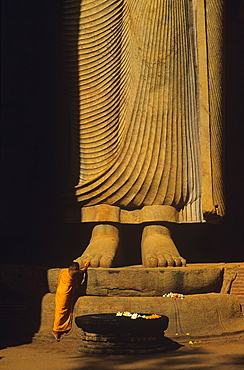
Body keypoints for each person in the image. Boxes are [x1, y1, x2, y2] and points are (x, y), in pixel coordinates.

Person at [52, 261, 90, 341]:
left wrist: (82, 265)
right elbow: (82, 271)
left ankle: (63, 329)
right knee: (61, 311)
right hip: (64, 294)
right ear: (74, 268)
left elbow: (77, 269)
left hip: (60, 292)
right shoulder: (74, 272)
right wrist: (86, 266)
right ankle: (55, 330)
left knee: (65, 310)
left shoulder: (65, 270)